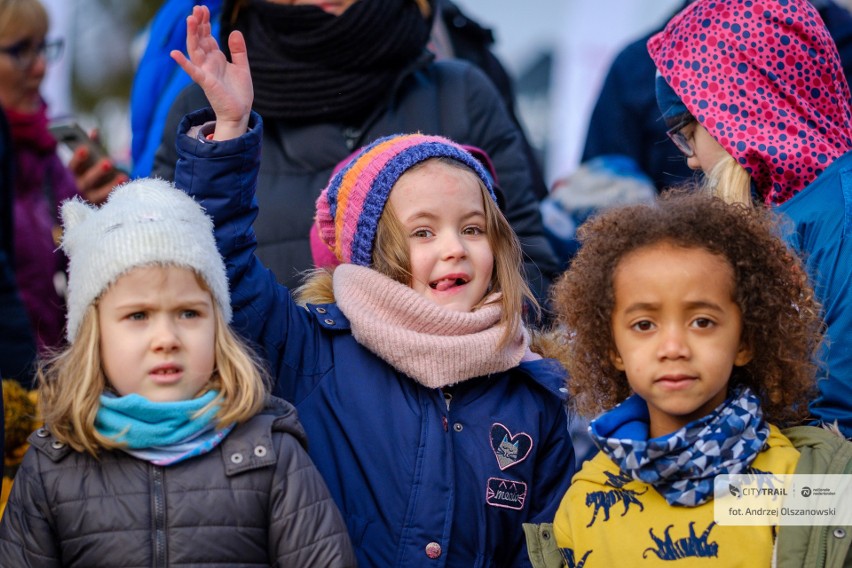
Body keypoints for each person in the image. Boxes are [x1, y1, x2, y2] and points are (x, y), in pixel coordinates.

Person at [167, 7, 575, 565]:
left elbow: (545, 543)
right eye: (424, 231)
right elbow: (220, 266)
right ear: (371, 252)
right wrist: (230, 132)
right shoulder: (314, 350)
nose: (453, 247)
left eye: (473, 229)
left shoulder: (534, 394)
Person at [0, 177, 356, 566]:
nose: (166, 338)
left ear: (217, 328)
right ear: (93, 335)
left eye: (189, 313)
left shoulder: (268, 453)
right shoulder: (53, 468)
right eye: (138, 315)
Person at [153, 0, 559, 305]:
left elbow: (528, 268)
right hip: (264, 403)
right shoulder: (208, 109)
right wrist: (227, 136)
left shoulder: (462, 92)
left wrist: (463, 357)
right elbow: (173, 284)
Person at [523, 191, 852, 568]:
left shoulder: (801, 480)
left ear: (744, 341)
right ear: (614, 349)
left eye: (702, 322)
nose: (674, 347)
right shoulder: (585, 500)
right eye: (644, 325)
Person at [648, 0, 852, 438]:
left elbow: (841, 424)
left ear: (738, 113)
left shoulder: (841, 216)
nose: (692, 164)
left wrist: (737, 507)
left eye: (689, 136)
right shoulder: (787, 206)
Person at [581, 0, 852, 193]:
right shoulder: (640, 64)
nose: (692, 159)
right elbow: (603, 186)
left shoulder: (841, 43)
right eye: (684, 134)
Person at [0, 0, 126, 358]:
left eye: (42, 47)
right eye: (20, 51)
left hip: (51, 383)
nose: (40, 67)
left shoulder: (46, 160)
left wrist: (100, 213)